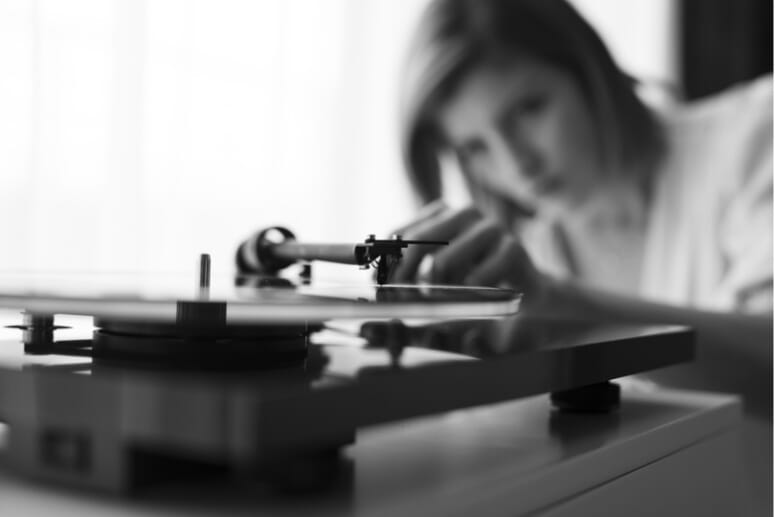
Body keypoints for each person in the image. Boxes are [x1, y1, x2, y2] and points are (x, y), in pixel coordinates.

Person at [392, 0, 772, 509]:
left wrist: (564, 310)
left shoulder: (753, 136)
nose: (517, 164)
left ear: (591, 71)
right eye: (476, 147)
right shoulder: (520, 255)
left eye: (529, 110)